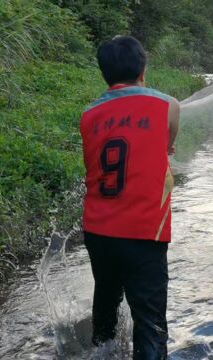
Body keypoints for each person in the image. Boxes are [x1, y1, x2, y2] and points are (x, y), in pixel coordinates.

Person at [79, 35, 180, 359]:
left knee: (106, 305)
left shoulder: (88, 114)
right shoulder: (168, 106)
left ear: (104, 73)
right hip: (143, 231)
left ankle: (102, 351)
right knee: (149, 324)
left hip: (98, 231)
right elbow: (165, 145)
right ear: (143, 69)